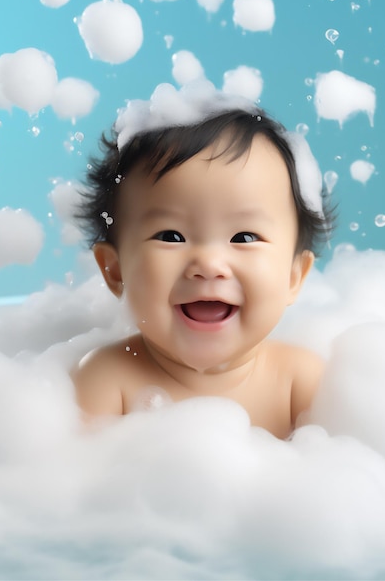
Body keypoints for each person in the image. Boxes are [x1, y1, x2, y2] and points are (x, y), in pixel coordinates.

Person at [72, 98, 333, 439]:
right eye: (171, 236)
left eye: (244, 237)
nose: (209, 265)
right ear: (115, 270)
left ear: (293, 276)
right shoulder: (105, 382)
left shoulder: (302, 382)